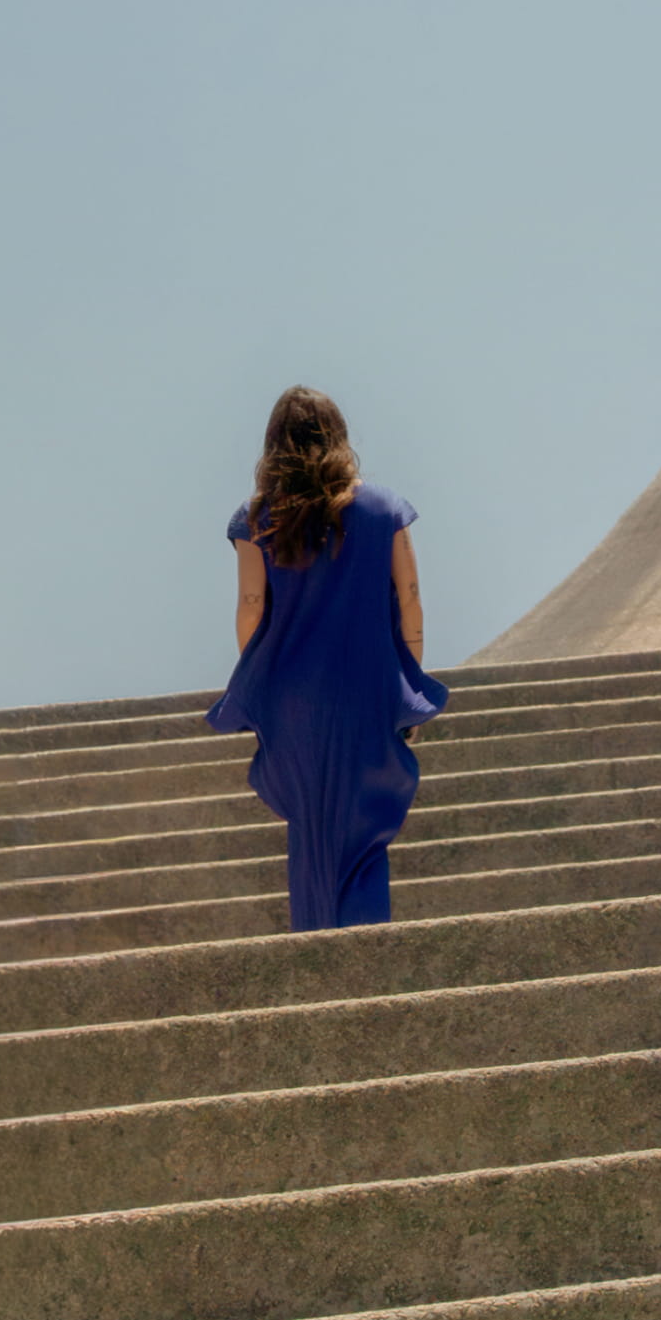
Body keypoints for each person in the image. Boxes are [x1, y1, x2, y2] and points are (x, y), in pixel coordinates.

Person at [206, 387, 449, 930]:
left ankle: (316, 940)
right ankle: (362, 944)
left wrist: (261, 688)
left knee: (312, 828)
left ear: (274, 444)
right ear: (338, 436)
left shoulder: (257, 518)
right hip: (366, 685)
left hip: (293, 695)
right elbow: (410, 599)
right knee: (365, 828)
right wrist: (408, 686)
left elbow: (251, 606)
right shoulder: (384, 508)